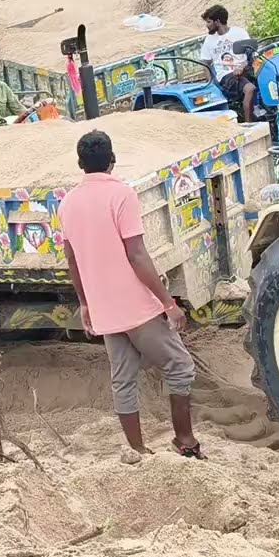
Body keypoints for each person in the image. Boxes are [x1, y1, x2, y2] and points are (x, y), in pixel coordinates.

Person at [59, 130, 203, 461]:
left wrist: (84, 303)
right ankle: (185, 440)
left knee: (122, 380)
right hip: (137, 307)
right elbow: (137, 254)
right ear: (112, 160)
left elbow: (72, 260)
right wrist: (168, 304)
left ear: (80, 164)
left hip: (104, 310)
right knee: (180, 367)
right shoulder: (123, 195)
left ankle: (137, 449)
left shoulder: (67, 204)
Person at [200, 5, 260, 123]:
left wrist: (242, 66)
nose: (207, 25)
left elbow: (252, 55)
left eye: (209, 22)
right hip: (226, 75)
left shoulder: (239, 33)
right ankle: (250, 124)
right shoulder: (209, 40)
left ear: (217, 21)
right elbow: (205, 63)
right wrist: (211, 83)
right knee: (250, 89)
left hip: (245, 70)